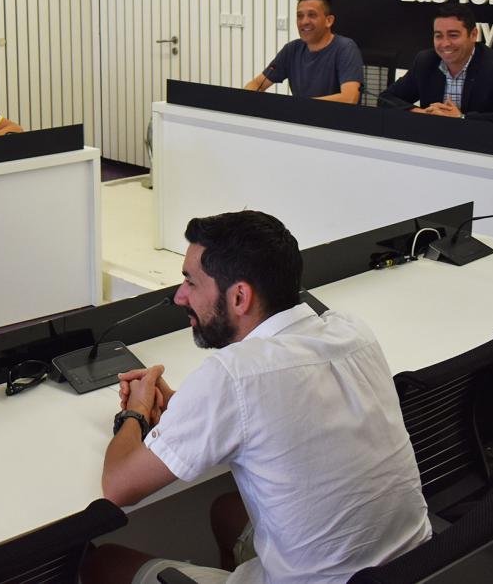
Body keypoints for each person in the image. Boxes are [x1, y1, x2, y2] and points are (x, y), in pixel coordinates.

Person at [84, 210, 429, 584]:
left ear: (239, 296)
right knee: (227, 512)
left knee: (104, 564)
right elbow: (286, 401)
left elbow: (118, 487)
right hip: (415, 567)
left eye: (191, 282)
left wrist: (134, 411)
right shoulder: (351, 331)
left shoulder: (233, 376)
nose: (180, 297)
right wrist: (190, 407)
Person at [379, 5, 493, 125]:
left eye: (453, 35)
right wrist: (422, 113)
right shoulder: (426, 61)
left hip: (479, 147)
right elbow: (386, 99)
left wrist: (461, 118)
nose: (445, 44)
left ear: (473, 35)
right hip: (433, 143)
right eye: (438, 36)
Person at [243, 0, 362, 103]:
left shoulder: (345, 48)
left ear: (328, 21)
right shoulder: (292, 49)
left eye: (312, 15)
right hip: (300, 121)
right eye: (300, 16)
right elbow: (257, 83)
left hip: (334, 123)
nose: (304, 21)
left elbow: (350, 98)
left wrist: (301, 108)